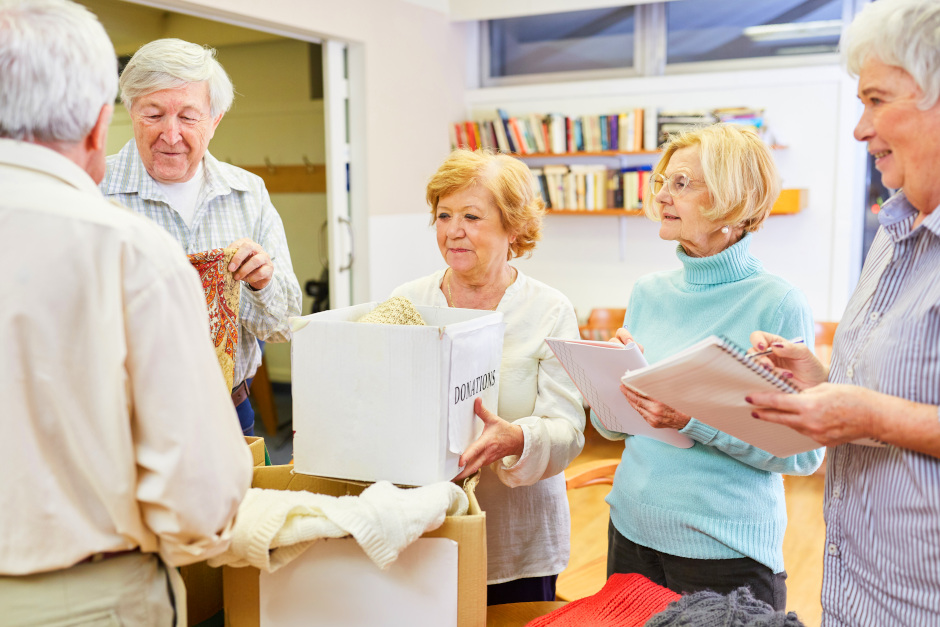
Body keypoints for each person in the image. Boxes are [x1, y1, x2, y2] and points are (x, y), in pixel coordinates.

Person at [0, 1, 252, 625]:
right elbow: (199, 497)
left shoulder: (240, 195)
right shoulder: (129, 250)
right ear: (100, 126)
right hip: (91, 595)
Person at [746, 1, 940, 623]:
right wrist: (824, 382)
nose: (860, 129)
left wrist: (874, 415)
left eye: (877, 101)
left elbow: (889, 412)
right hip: (855, 588)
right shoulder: (892, 232)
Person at [592, 124, 824, 610]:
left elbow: (802, 456)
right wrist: (609, 384)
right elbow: (615, 432)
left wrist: (691, 420)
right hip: (630, 532)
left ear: (733, 202)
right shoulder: (648, 291)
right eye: (662, 182)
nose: (662, 196)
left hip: (722, 555)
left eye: (682, 184)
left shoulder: (777, 301)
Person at [392, 149, 585, 605]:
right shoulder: (406, 302)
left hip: (519, 538)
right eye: (444, 215)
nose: (454, 230)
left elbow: (569, 430)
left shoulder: (549, 310)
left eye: (472, 216)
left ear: (513, 227)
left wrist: (517, 438)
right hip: (425, 531)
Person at [101, 37, 302, 436]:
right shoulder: (93, 191)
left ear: (215, 119)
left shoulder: (248, 194)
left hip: (230, 416)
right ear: (130, 110)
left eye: (189, 118)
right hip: (125, 423)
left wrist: (262, 282)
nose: (170, 135)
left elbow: (284, 326)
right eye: (153, 114)